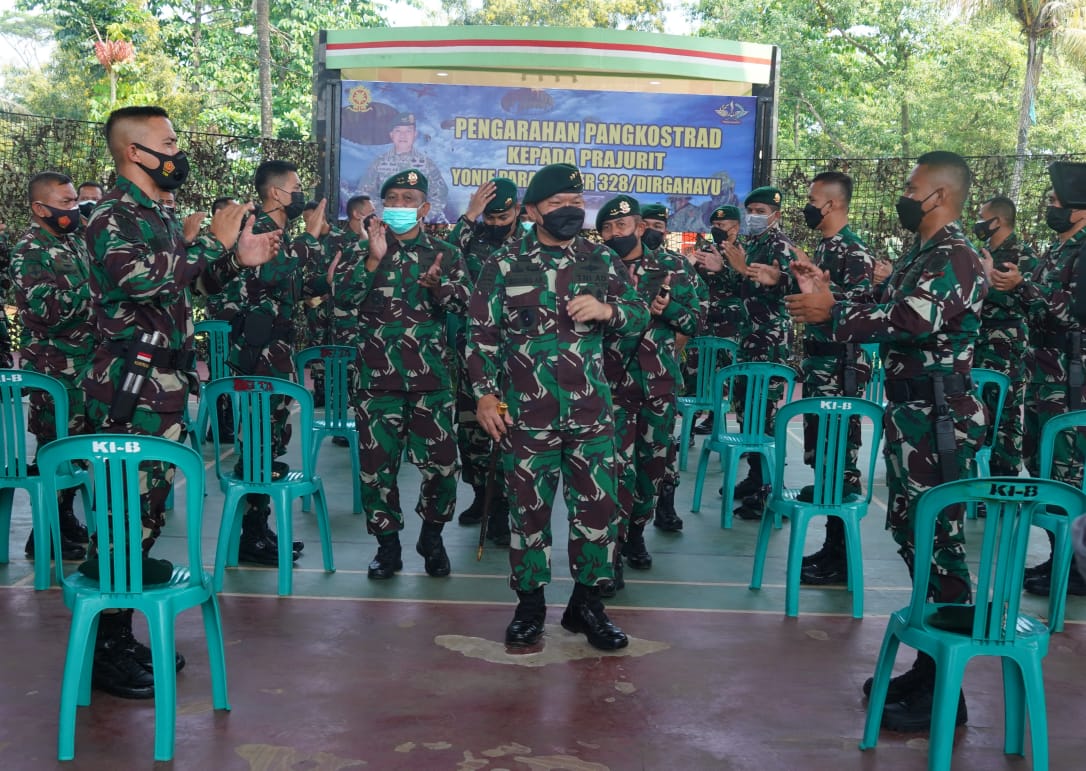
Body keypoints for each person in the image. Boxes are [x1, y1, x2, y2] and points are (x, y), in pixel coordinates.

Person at [82, 105, 280, 699]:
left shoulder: (159, 214)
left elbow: (185, 286)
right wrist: (214, 242)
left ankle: (118, 635)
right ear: (133, 153)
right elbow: (143, 282)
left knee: (144, 518)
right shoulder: (112, 215)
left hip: (163, 389)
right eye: (167, 142)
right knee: (121, 517)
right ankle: (105, 649)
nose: (177, 151)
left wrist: (233, 261)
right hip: (131, 389)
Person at [786, 150, 987, 732]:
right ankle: (930, 666)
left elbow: (912, 322)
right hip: (915, 413)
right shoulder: (923, 254)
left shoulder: (956, 255)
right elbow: (884, 306)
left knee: (940, 539)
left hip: (940, 418)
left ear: (941, 196)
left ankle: (945, 688)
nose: (904, 194)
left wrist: (831, 314)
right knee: (913, 530)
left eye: (911, 186)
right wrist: (830, 296)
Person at [467, 163, 649, 650]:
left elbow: (639, 315)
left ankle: (587, 607)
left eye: (576, 201)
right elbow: (480, 337)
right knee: (528, 516)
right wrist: (485, 394)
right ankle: (530, 607)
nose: (570, 211)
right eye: (556, 204)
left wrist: (609, 310)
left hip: (591, 415)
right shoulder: (504, 263)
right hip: (527, 418)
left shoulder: (600, 259)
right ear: (530, 212)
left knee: (597, 513)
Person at [330, 168, 472, 580]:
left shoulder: (445, 253)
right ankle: (387, 547)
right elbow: (343, 299)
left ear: (425, 208)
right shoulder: (362, 249)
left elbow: (468, 307)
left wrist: (439, 287)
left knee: (443, 467)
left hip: (431, 381)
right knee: (377, 469)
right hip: (378, 382)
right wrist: (373, 259)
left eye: (409, 199)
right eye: (392, 198)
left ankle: (432, 535)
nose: (400, 206)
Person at [218, 159, 329, 565]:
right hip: (257, 355)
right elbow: (267, 274)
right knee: (258, 443)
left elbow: (293, 285)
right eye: (297, 184)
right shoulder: (255, 228)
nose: (301, 192)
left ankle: (259, 527)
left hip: (277, 354)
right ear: (277, 193)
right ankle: (251, 535)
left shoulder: (282, 233)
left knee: (271, 441)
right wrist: (310, 238)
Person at [989, 165, 1086, 597]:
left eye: (1055, 203)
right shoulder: (1054, 250)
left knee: (1067, 470)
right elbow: (1034, 310)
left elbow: (1068, 313)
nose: (1050, 208)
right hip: (1040, 373)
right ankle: (1058, 558)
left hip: (1071, 378)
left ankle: (1076, 566)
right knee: (1041, 463)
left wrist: (1022, 286)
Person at [597, 195, 699, 596]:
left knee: (652, 467)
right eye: (606, 229)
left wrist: (669, 308)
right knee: (613, 470)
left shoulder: (671, 267)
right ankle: (614, 548)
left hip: (658, 385)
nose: (614, 235)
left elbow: (696, 318)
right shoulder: (594, 268)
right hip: (611, 387)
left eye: (621, 227)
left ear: (640, 228)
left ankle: (637, 530)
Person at [789, 171, 875, 586]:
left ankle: (840, 555)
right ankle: (830, 548)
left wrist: (826, 294)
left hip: (842, 370)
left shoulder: (854, 250)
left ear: (834, 204)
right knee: (822, 458)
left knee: (840, 460)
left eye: (813, 198)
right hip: (821, 366)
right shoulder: (824, 248)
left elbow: (860, 309)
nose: (808, 205)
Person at [10, 172, 96, 562]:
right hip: (53, 370)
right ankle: (43, 535)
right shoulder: (30, 249)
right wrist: (98, 289)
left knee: (76, 452)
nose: (73, 209)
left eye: (74, 200)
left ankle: (63, 520)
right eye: (64, 203)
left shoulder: (76, 241)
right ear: (39, 208)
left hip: (86, 367)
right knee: (55, 448)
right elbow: (46, 310)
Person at [448, 178, 522, 546]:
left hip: (517, 360)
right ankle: (481, 496)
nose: (494, 223)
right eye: (488, 217)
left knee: (507, 432)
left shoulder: (529, 245)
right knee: (472, 432)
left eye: (502, 216)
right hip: (473, 356)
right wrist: (469, 216)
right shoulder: (471, 240)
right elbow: (442, 259)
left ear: (518, 212)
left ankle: (503, 509)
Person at [720, 187, 796, 520]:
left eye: (760, 209)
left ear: (776, 214)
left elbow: (784, 286)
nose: (753, 214)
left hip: (768, 341)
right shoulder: (754, 244)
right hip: (749, 338)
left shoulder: (779, 246)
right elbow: (743, 289)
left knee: (762, 413)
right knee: (747, 410)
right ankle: (754, 478)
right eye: (749, 208)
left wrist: (740, 268)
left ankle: (767, 490)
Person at [640, 203, 706, 532]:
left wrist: (676, 332)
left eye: (658, 224)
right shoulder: (613, 264)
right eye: (647, 223)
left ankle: (665, 503)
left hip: (662, 370)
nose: (653, 229)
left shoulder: (677, 265)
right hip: (619, 377)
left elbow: (699, 308)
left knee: (662, 446)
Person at [972, 196, 1035, 483]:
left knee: (1005, 417)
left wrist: (987, 282)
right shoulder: (983, 251)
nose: (978, 222)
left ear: (997, 221)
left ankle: (1004, 481)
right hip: (978, 344)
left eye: (982, 216)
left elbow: (1028, 305)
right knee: (980, 414)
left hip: (1006, 348)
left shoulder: (1023, 256)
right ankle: (981, 484)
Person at [690, 205, 743, 437]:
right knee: (698, 376)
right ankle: (689, 428)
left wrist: (723, 269)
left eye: (722, 226)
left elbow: (746, 286)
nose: (717, 230)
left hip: (731, 326)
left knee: (729, 378)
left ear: (736, 227)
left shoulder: (744, 253)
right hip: (706, 324)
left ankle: (719, 421)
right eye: (714, 226)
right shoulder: (706, 250)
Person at [328, 194, 377, 447]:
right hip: (346, 319)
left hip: (370, 321)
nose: (375, 213)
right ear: (359, 214)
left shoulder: (378, 240)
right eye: (371, 210)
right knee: (345, 373)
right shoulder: (340, 241)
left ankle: (368, 425)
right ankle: (342, 426)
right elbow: (332, 280)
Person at [359, 113, 449, 222]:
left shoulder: (427, 164)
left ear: (415, 134)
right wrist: (384, 216)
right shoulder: (379, 163)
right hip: (385, 226)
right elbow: (364, 193)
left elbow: (440, 194)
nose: (403, 135)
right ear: (391, 135)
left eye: (408, 131)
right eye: (398, 131)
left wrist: (421, 217)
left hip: (416, 227)